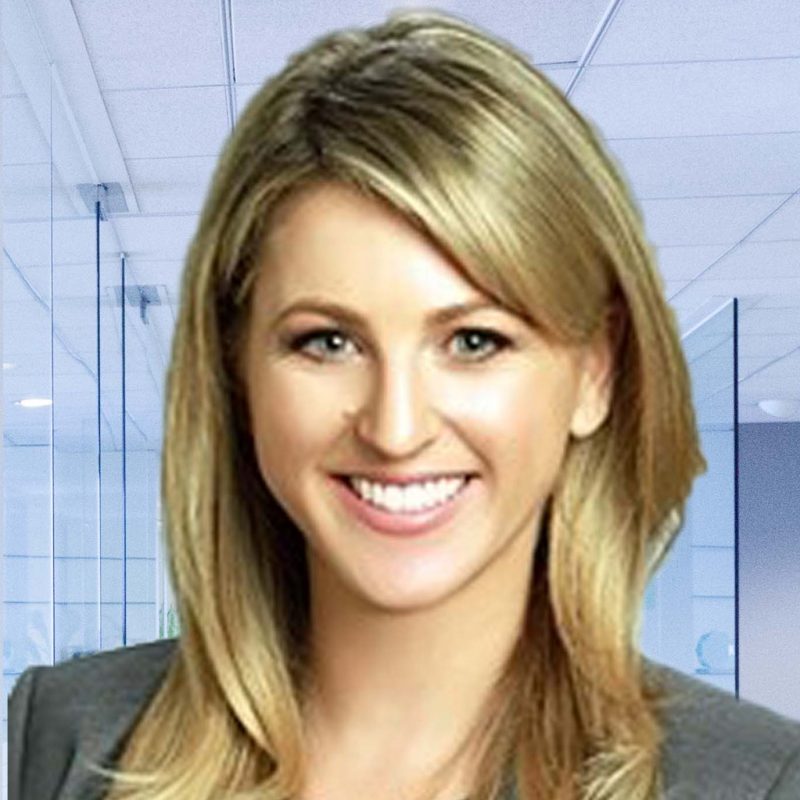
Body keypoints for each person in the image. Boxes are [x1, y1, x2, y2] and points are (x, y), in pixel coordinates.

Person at [8, 8, 800, 800]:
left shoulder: (752, 781)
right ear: (235, 369)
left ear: (595, 372)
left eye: (475, 341)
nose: (396, 428)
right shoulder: (64, 735)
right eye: (327, 342)